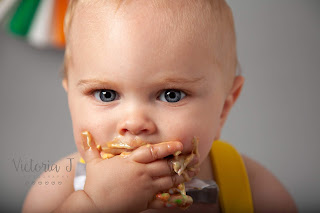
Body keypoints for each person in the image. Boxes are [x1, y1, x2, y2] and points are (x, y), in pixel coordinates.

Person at [23, 0, 297, 212]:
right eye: (106, 94)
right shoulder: (56, 191)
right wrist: (92, 205)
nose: (134, 122)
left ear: (223, 109)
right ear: (71, 100)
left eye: (171, 95)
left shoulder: (255, 189)